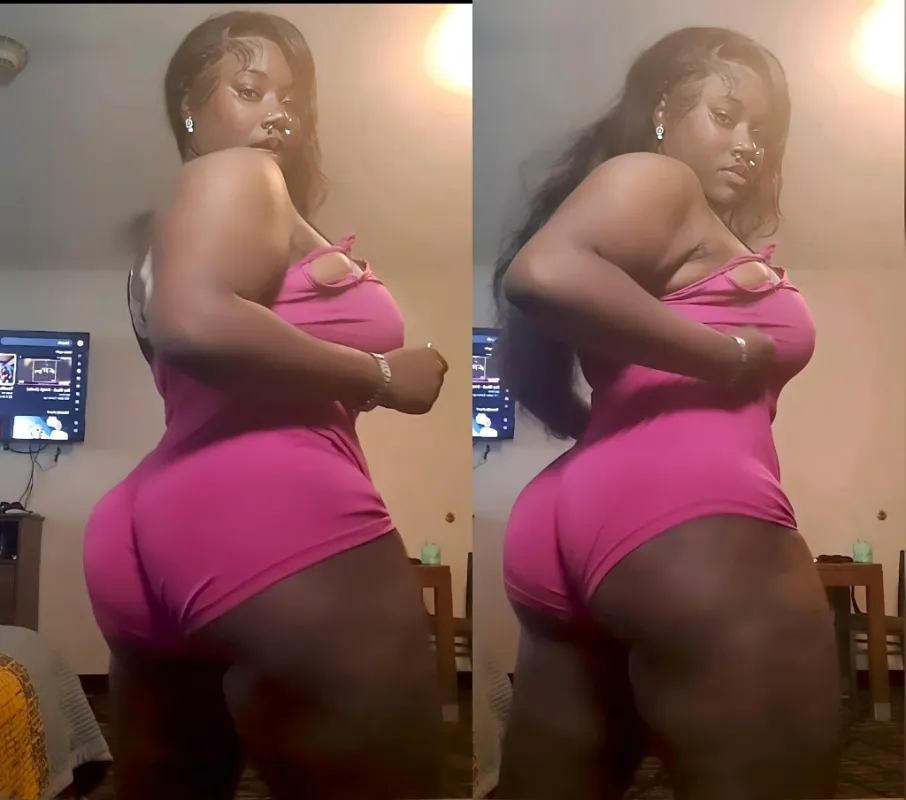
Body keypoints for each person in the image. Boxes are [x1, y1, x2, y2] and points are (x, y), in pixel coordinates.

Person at [83, 11, 450, 800]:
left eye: (292, 99)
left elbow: (199, 353)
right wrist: (381, 374)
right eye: (249, 90)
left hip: (145, 528)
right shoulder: (240, 176)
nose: (278, 113)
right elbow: (197, 322)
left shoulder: (171, 237)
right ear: (190, 108)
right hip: (269, 515)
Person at [492, 27, 840, 800]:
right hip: (688, 507)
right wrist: (727, 354)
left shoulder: (658, 223)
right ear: (661, 112)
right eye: (726, 115)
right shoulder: (660, 179)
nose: (748, 144)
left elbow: (527, 358)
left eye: (762, 130)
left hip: (570, 508)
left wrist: (612, 456)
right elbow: (542, 275)